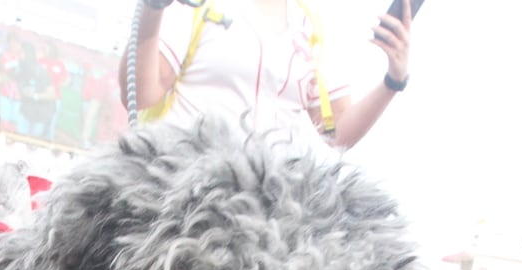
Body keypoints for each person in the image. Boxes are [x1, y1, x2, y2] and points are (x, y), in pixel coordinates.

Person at [118, 0, 417, 157]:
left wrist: (393, 79)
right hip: (181, 193)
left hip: (264, 216)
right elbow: (142, 92)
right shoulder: (201, 5)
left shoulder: (311, 27)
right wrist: (151, 7)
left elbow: (336, 133)